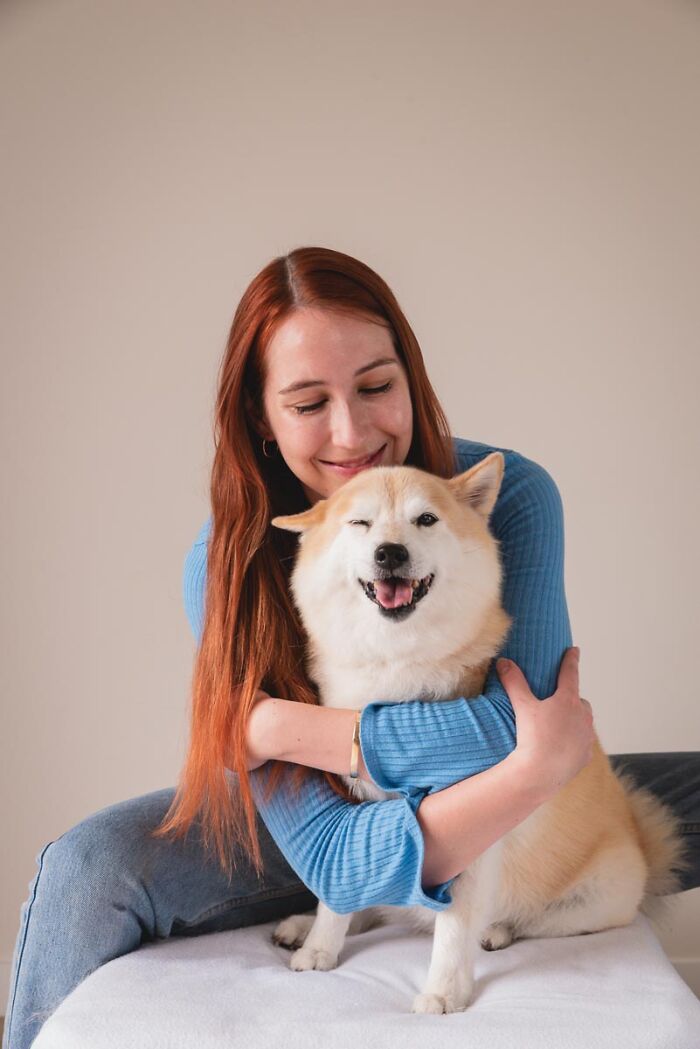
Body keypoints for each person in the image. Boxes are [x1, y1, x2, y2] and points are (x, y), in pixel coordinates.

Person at [4, 247, 697, 1049]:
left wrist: (276, 726)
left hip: (507, 788)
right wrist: (524, 763)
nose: (353, 432)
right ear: (260, 417)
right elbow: (338, 847)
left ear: (412, 377)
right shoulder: (225, 561)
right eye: (308, 402)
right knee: (87, 864)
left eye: (375, 386)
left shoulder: (508, 493)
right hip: (311, 813)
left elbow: (524, 733)